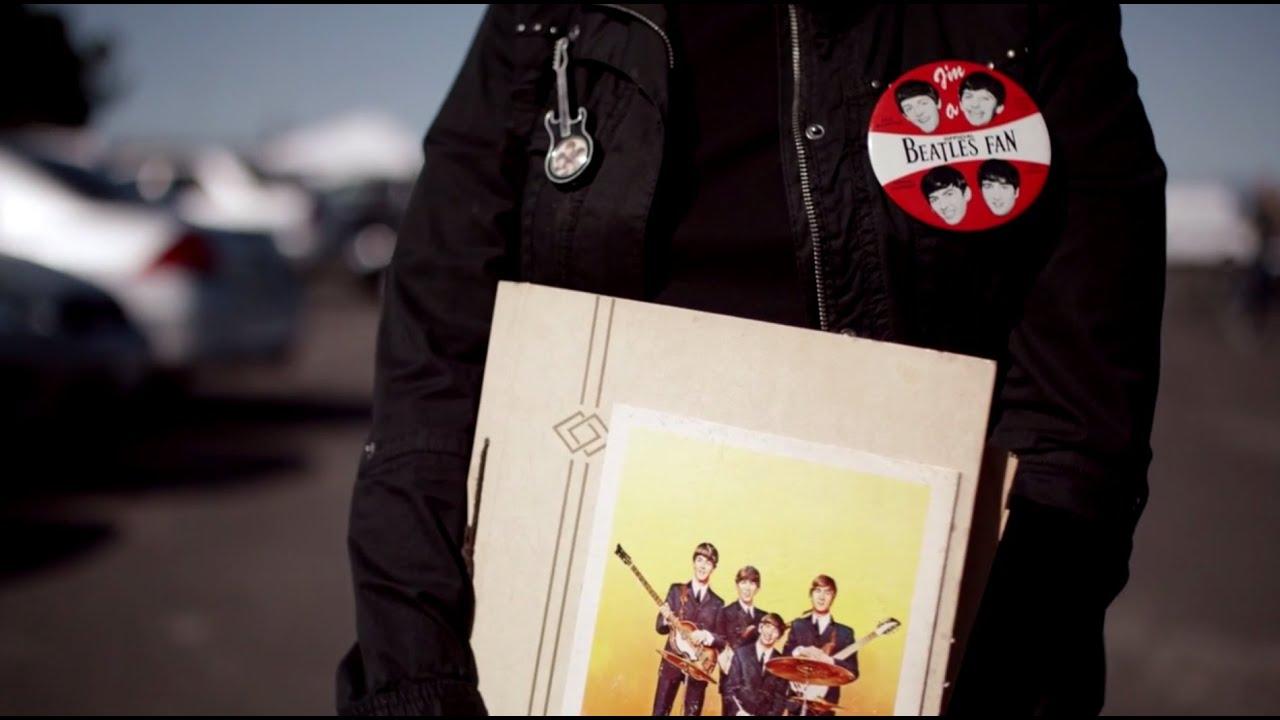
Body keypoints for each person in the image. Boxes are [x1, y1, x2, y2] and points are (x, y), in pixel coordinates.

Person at [337, 5, 1165, 716]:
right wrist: (415, 681)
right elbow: (429, 383)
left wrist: (1007, 690)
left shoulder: (1025, 18)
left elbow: (1081, 430)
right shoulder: (552, 13)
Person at [652, 542, 725, 716]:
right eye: (699, 560)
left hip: (700, 666)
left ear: (713, 567)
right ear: (693, 562)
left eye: (708, 562)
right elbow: (659, 627)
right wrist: (666, 617)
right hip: (671, 662)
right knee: (659, 712)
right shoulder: (677, 591)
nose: (702, 566)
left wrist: (706, 636)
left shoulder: (718, 603)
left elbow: (722, 639)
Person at [783, 575, 858, 716]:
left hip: (824, 706)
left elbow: (854, 671)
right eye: (818, 591)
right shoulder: (798, 625)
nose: (822, 597)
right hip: (796, 704)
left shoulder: (845, 633)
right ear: (811, 595)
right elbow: (784, 657)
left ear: (833, 597)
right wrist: (794, 670)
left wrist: (830, 661)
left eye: (827, 592)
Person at [714, 566, 770, 715]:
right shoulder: (725, 612)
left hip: (759, 689)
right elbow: (720, 650)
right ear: (737, 585)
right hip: (733, 687)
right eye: (743, 582)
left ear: (757, 588)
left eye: (752, 583)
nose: (747, 588)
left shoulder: (764, 617)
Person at [721, 613, 790, 717]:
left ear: (779, 637)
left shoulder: (780, 662)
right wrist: (738, 712)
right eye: (767, 627)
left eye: (775, 631)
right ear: (760, 628)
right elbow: (729, 689)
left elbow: (779, 699)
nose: (769, 633)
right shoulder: (741, 654)